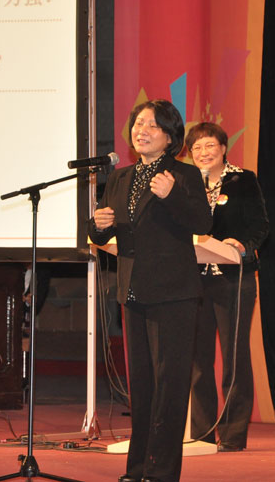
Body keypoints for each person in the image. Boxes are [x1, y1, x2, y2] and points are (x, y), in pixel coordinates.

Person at [89, 99, 212, 482]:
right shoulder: (120, 178)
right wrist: (97, 225)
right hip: (133, 291)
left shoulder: (184, 175)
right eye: (138, 123)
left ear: (170, 137)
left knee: (170, 385)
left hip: (173, 293)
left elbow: (202, 222)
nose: (141, 131)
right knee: (141, 386)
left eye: (152, 125)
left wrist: (171, 195)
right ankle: (138, 467)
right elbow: (104, 234)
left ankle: (161, 472)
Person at [185, 122, 269, 453]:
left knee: (235, 357)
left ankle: (233, 435)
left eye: (209, 145)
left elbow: (260, 225)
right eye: (196, 148)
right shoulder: (186, 183)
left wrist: (243, 245)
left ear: (223, 148)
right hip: (194, 279)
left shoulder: (242, 180)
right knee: (198, 359)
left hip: (233, 277)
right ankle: (202, 434)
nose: (203, 152)